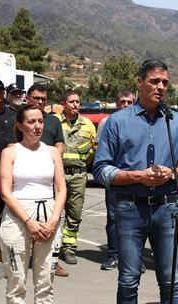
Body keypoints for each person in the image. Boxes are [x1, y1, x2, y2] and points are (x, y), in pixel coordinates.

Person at [93, 59, 178, 304]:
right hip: (129, 208)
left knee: (170, 281)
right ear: (140, 82)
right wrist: (138, 176)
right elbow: (100, 169)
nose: (161, 87)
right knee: (128, 279)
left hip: (167, 208)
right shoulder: (116, 122)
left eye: (165, 82)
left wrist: (171, 173)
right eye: (154, 81)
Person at [0, 104, 66, 303]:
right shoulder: (10, 153)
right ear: (19, 126)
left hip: (49, 215)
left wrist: (53, 221)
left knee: (46, 283)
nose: (37, 126)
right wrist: (29, 222)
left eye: (40, 121)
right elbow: (5, 192)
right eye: (31, 122)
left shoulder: (52, 152)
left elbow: (61, 190)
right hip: (18, 217)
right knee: (16, 281)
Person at [55, 89, 96, 265]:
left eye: (78, 101)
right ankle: (53, 247)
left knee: (74, 214)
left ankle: (69, 248)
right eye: (71, 101)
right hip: (57, 175)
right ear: (63, 103)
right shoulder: (54, 122)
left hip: (78, 176)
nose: (75, 105)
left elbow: (91, 152)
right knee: (53, 212)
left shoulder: (88, 125)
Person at [96, 90, 135, 271]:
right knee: (113, 217)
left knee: (137, 219)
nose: (126, 105)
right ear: (116, 103)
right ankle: (114, 255)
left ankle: (134, 258)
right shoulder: (107, 122)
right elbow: (100, 150)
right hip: (114, 179)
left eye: (129, 102)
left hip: (135, 179)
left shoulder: (140, 122)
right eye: (122, 102)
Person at [0, 79, 15, 224]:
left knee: (6, 202)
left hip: (6, 166)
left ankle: (2, 239)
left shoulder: (13, 115)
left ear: (4, 93)